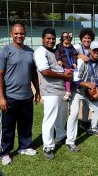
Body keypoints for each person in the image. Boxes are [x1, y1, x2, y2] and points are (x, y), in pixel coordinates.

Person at [0, 23, 40, 165]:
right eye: (16, 33)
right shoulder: (4, 52)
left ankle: (25, 146)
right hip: (10, 97)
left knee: (26, 125)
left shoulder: (30, 52)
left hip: (27, 97)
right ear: (11, 34)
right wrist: (1, 97)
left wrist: (37, 91)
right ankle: (5, 152)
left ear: (25, 34)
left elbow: (33, 74)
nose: (19, 35)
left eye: (21, 33)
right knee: (7, 127)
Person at [65, 41, 98, 151]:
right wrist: (87, 84)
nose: (96, 52)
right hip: (77, 91)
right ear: (90, 51)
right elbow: (75, 80)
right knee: (74, 114)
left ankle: (93, 128)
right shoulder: (81, 62)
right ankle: (70, 141)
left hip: (89, 92)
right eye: (94, 50)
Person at [33, 28, 72, 159]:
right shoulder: (40, 52)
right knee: (49, 119)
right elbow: (45, 71)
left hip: (61, 89)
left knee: (62, 116)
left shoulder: (56, 51)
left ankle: (61, 135)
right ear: (42, 39)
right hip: (50, 90)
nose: (51, 40)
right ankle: (48, 146)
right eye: (48, 38)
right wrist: (63, 75)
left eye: (53, 38)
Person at [73, 28, 95, 131]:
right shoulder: (76, 47)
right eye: (85, 38)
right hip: (78, 79)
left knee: (87, 103)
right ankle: (73, 124)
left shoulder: (93, 48)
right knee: (75, 104)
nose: (87, 40)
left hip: (89, 78)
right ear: (81, 39)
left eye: (89, 38)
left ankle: (85, 122)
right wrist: (79, 55)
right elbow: (69, 54)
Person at [55, 34, 78, 100]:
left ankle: (68, 92)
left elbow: (75, 55)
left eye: (69, 43)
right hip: (63, 66)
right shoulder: (59, 47)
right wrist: (58, 60)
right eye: (66, 43)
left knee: (68, 79)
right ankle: (68, 92)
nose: (68, 45)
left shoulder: (72, 47)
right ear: (62, 41)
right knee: (66, 79)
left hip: (70, 66)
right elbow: (57, 53)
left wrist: (74, 62)